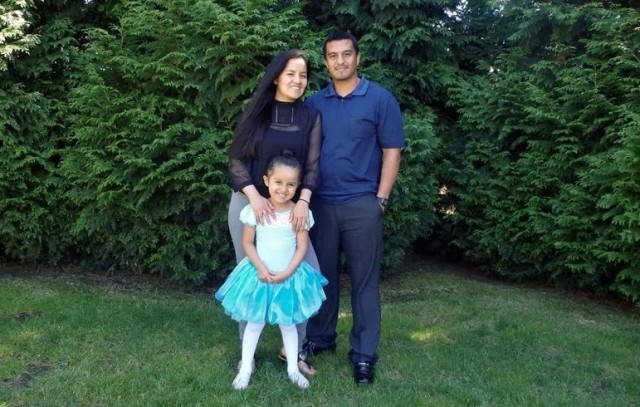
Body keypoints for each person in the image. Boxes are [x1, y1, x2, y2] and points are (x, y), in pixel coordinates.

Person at [301, 31, 405, 385]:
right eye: (333, 56)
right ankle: (320, 337)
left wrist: (381, 199)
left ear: (357, 58)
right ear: (326, 61)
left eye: (347, 54)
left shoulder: (380, 99)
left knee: (364, 283)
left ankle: (363, 355)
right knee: (321, 278)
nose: (340, 61)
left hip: (363, 204)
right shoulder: (314, 103)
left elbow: (392, 150)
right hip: (322, 204)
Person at [227, 50, 322, 376]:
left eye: (303, 75)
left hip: (292, 209)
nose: (298, 80)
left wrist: (304, 201)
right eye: (291, 74)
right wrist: (254, 196)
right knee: (249, 279)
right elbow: (236, 159)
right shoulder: (256, 111)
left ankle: (292, 351)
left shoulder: (311, 116)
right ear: (277, 76)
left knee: (307, 270)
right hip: (249, 204)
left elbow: (312, 166)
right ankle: (246, 356)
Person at [216, 155, 328, 390]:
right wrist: (259, 267)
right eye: (278, 182)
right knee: (254, 322)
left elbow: (302, 247)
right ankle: (245, 368)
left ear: (298, 186)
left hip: (289, 276)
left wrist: (289, 271)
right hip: (259, 275)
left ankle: (293, 369)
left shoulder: (300, 214)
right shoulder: (254, 211)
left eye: (290, 184)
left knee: (288, 323)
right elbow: (248, 243)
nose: (284, 189)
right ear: (266, 181)